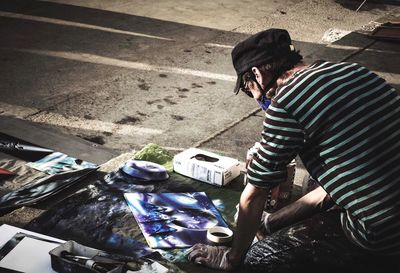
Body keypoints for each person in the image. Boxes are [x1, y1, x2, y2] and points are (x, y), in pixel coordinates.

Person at [187, 28, 400, 272]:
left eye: (248, 89)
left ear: (256, 74)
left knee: (259, 257)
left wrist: (232, 257)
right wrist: (270, 222)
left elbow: (255, 194)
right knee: (313, 181)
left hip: (384, 235)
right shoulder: (351, 70)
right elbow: (332, 187)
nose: (255, 97)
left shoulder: (286, 102)